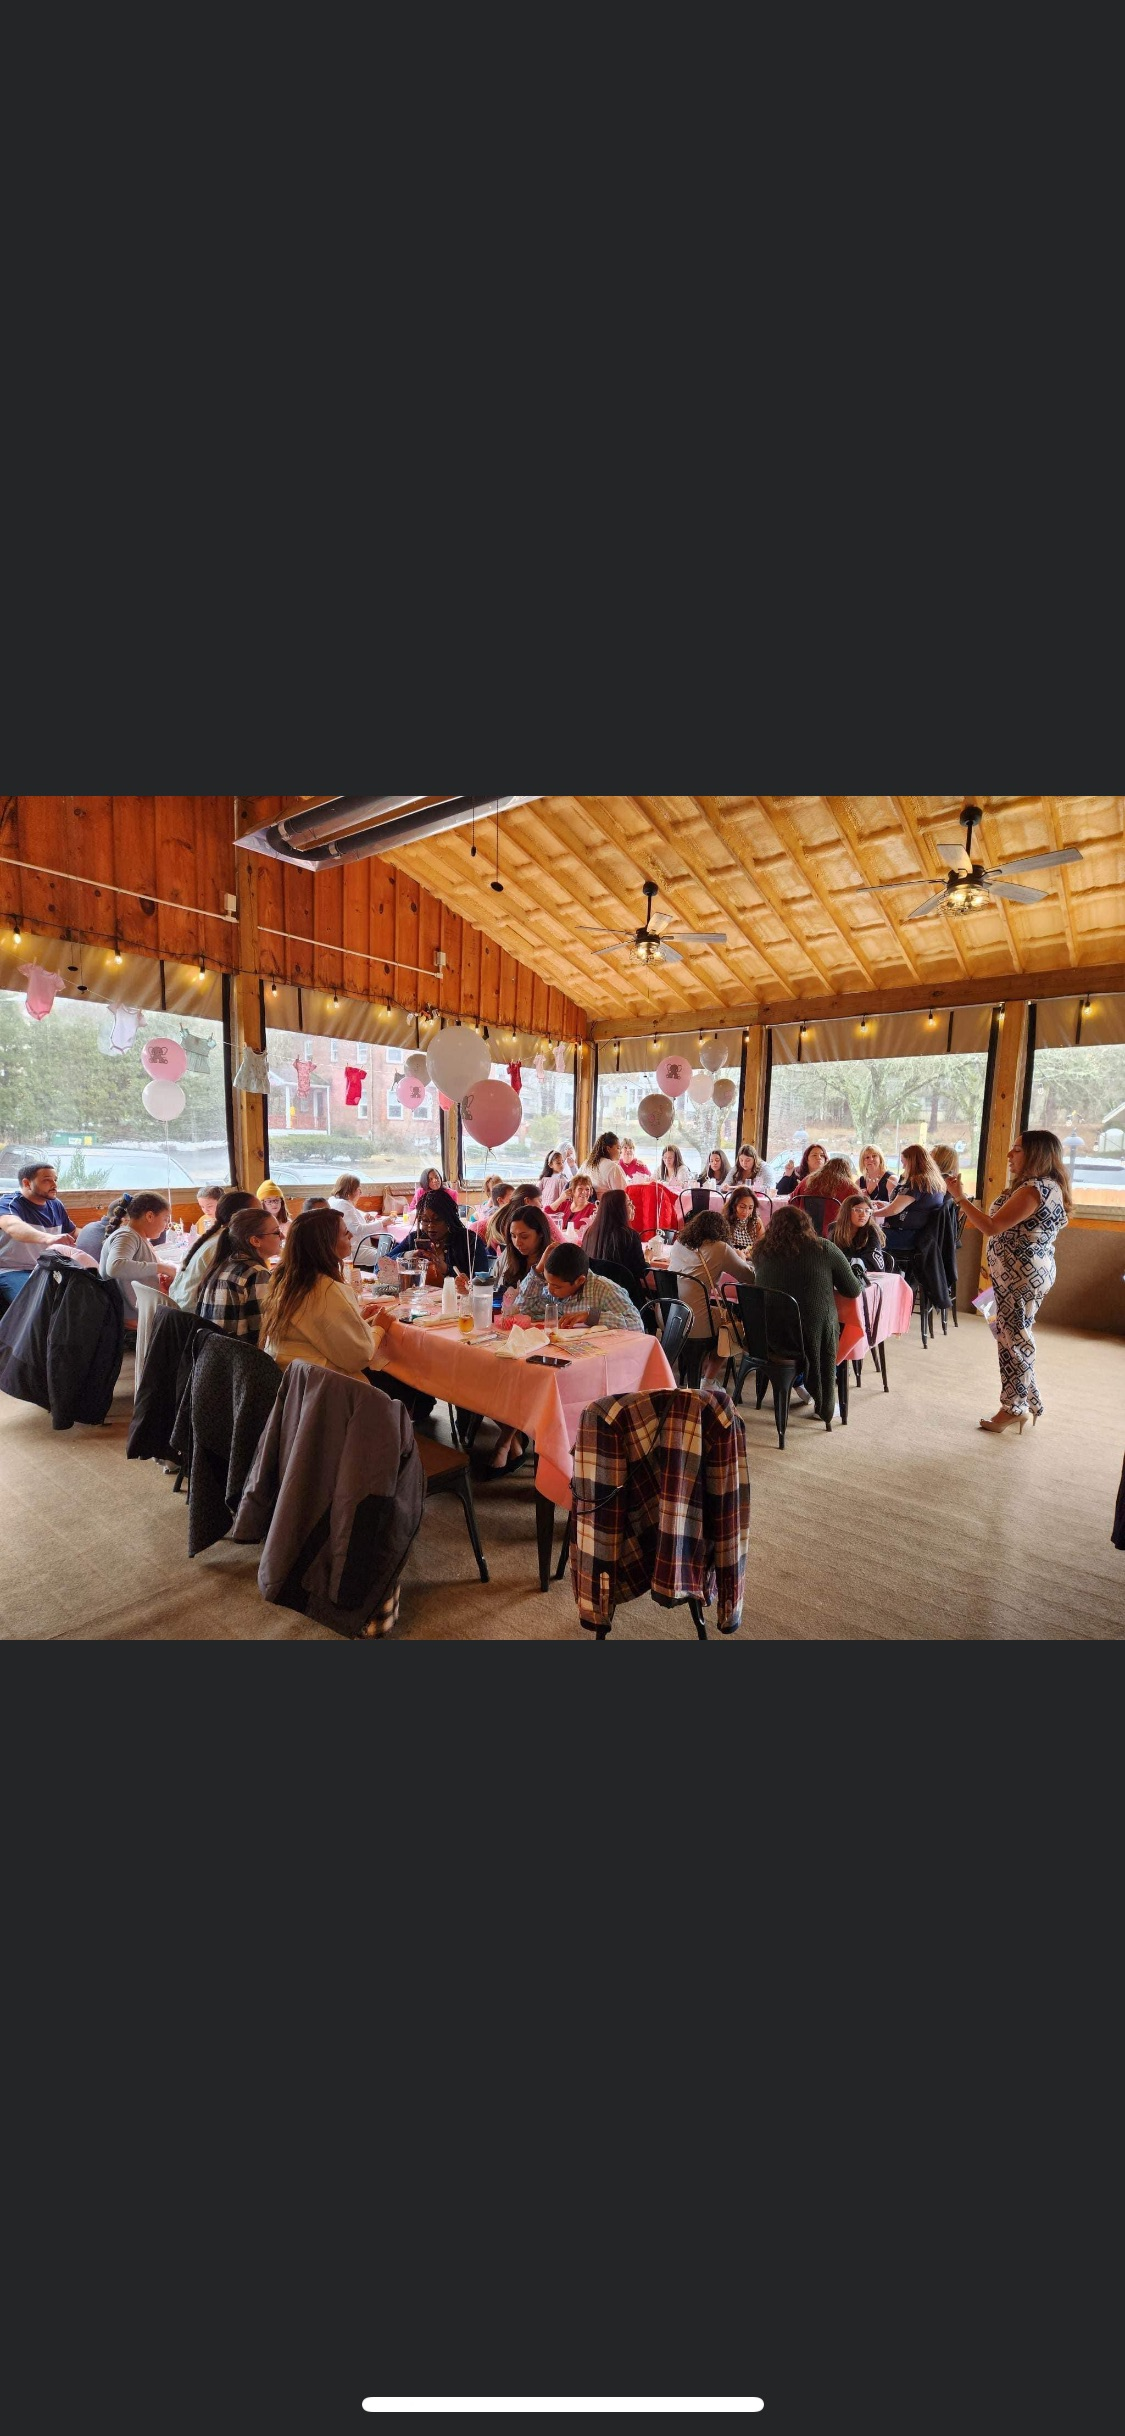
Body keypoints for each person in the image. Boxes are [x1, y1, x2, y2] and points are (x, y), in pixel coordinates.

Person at [949, 1130, 1071, 1433]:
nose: (1009, 1155)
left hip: (1020, 1277)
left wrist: (960, 1198)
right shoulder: (1044, 1186)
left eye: (1016, 1149)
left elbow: (992, 1226)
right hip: (1013, 1273)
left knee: (1014, 1341)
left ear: (1036, 1154)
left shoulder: (1034, 1190)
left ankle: (1013, 1407)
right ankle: (1030, 1399)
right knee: (1004, 1332)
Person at [752, 1202, 864, 1425]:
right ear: (807, 1225)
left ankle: (801, 1382)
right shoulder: (824, 1248)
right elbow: (852, 1289)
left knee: (813, 1318)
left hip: (769, 1335)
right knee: (830, 1323)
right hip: (810, 1338)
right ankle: (825, 1399)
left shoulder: (760, 1252)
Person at [263, 1205, 378, 1382]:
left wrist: (357, 1321)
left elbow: (318, 1327)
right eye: (345, 1233)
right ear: (326, 1245)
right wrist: (379, 1328)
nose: (351, 1236)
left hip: (289, 1377)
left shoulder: (283, 1280)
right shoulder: (324, 1288)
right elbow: (360, 1357)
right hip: (320, 1385)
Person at [666, 1210, 759, 1350]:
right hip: (695, 1321)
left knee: (718, 1312)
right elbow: (749, 1278)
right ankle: (712, 1363)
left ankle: (703, 1360)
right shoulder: (720, 1248)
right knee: (732, 1323)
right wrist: (742, 1259)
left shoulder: (679, 1244)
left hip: (668, 1315)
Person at [198, 1205, 284, 1346]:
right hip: (238, 1356)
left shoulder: (222, 1265)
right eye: (277, 1232)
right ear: (255, 1241)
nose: (282, 1236)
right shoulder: (256, 1273)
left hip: (213, 1353)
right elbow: (264, 1332)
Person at [513, 1240, 643, 1333]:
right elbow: (522, 1309)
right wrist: (538, 1269)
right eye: (547, 1282)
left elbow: (637, 1325)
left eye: (557, 1287)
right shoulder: (551, 1288)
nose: (550, 1290)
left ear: (580, 1280)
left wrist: (590, 1316)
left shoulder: (605, 1290)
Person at [0, 1160, 80, 1306]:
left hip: (48, 1267)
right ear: (27, 1183)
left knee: (82, 1298)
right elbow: (13, 1227)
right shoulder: (8, 1203)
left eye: (55, 1180)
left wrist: (101, 1234)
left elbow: (73, 1232)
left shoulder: (56, 1204)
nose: (54, 1185)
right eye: (47, 1180)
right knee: (35, 1306)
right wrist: (49, 1238)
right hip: (12, 1270)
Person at [170, 1191, 258, 1312]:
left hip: (182, 1307)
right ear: (241, 1217)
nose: (265, 1216)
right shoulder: (227, 1243)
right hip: (195, 1314)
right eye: (259, 1212)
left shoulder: (217, 1236)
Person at [99, 1193, 176, 1317]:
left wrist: (160, 1278)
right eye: (165, 1219)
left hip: (143, 1312)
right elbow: (115, 1267)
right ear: (150, 1216)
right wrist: (162, 1268)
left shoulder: (137, 1236)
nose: (167, 1226)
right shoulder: (127, 1236)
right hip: (134, 1318)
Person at [395, 1188, 476, 1289]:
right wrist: (408, 1255)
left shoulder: (468, 1240)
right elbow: (381, 1265)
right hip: (419, 1297)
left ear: (449, 1218)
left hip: (456, 1298)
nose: (430, 1225)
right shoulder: (415, 1237)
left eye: (437, 1219)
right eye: (425, 1220)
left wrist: (446, 1269)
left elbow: (482, 1281)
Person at [583, 1188, 654, 1303]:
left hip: (595, 1297)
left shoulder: (589, 1233)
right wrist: (647, 1258)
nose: (634, 1207)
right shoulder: (629, 1236)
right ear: (619, 1209)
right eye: (629, 1204)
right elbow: (641, 1272)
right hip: (625, 1298)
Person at [880, 1146, 947, 1255]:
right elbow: (913, 1206)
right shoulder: (934, 1181)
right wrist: (885, 1205)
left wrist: (870, 1213)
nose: (903, 1167)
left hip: (907, 1236)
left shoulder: (917, 1182)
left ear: (912, 1162)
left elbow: (894, 1210)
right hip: (923, 1235)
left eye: (904, 1163)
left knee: (866, 1236)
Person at [495, 1205, 557, 1303]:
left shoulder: (553, 1259)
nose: (517, 1242)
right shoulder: (509, 1254)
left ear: (541, 1233)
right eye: (513, 1236)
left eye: (524, 1236)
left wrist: (538, 1270)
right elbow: (494, 1286)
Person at [794, 1155, 859, 1231]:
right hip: (835, 1232)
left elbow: (792, 1201)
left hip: (805, 1229)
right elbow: (860, 1208)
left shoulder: (806, 1181)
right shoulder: (849, 1187)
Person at [830, 1191, 885, 1269]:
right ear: (847, 1211)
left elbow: (875, 1265)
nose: (863, 1215)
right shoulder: (834, 1228)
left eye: (867, 1211)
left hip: (862, 1275)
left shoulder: (871, 1231)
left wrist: (844, 1262)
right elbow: (828, 1256)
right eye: (858, 1210)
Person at [328, 1174, 379, 1253]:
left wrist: (363, 1217)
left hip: (352, 1246)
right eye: (358, 1189)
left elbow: (352, 1218)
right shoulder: (343, 1204)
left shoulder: (334, 1200)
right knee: (385, 1256)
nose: (360, 1192)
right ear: (350, 1190)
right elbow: (357, 1229)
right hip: (353, 1248)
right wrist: (383, 1223)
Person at [725, 1187, 764, 1254]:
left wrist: (750, 1254)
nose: (746, 1211)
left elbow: (762, 1246)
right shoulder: (725, 1222)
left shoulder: (756, 1221)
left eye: (750, 1208)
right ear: (733, 1206)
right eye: (742, 1207)